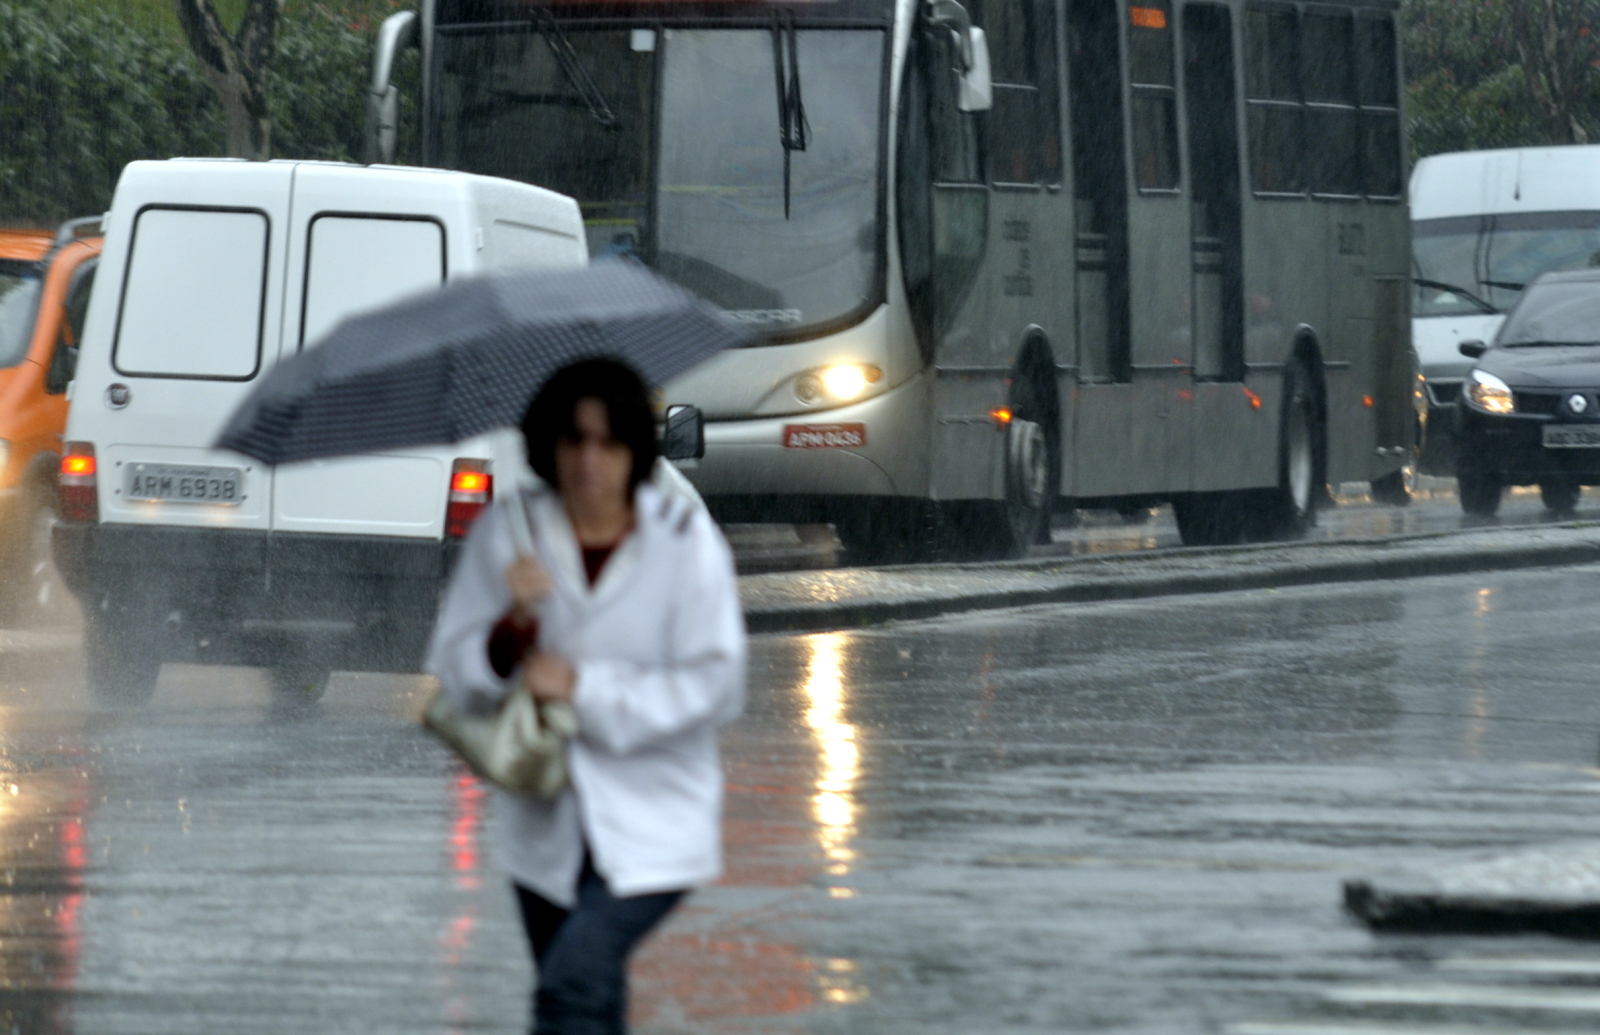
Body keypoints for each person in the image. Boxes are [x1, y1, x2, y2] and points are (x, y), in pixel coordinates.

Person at [424, 358, 746, 1035]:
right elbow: (458, 674)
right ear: (548, 446)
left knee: (571, 985)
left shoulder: (685, 540)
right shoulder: (509, 534)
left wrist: (585, 688)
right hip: (547, 818)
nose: (589, 459)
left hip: (653, 815)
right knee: (587, 995)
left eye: (609, 441)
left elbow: (714, 683)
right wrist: (511, 628)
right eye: (574, 439)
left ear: (636, 448)